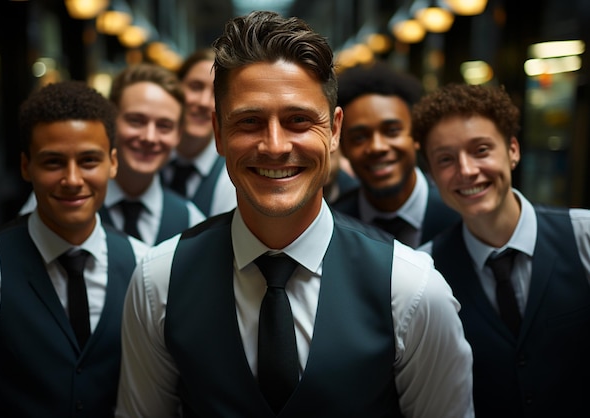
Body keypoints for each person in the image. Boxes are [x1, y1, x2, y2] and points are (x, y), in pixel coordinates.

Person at [116, 11, 474, 418]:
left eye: (298, 120)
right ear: (218, 132)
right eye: (249, 121)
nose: (274, 146)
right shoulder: (158, 280)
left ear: (335, 130)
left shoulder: (412, 289)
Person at [0, 81, 149, 417]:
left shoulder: (143, 264)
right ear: (26, 166)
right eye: (53, 163)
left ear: (113, 163)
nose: (73, 179)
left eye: (89, 160)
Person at [412, 83, 590, 417]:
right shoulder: (424, 272)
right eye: (446, 159)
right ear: (433, 174)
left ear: (512, 150)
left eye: (481, 150)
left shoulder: (584, 235)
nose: (466, 170)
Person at [332, 60, 459, 248]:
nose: (377, 147)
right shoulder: (334, 225)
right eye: (359, 137)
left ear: (416, 135)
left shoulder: (458, 212)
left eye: (392, 131)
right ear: (343, 147)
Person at [100, 63, 205, 245]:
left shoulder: (191, 223)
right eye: (136, 121)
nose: (149, 138)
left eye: (164, 126)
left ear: (178, 135)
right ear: (110, 122)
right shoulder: (72, 205)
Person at [160, 48, 237, 217]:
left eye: (216, 94)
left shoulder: (231, 180)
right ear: (175, 88)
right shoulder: (147, 153)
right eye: (195, 87)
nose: (204, 102)